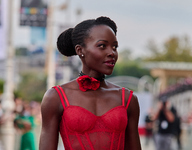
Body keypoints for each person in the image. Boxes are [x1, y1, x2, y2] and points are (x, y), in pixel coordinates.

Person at [39, 16, 141, 150]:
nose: (112, 53)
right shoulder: (56, 97)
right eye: (102, 46)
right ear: (80, 50)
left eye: (114, 47)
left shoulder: (128, 99)